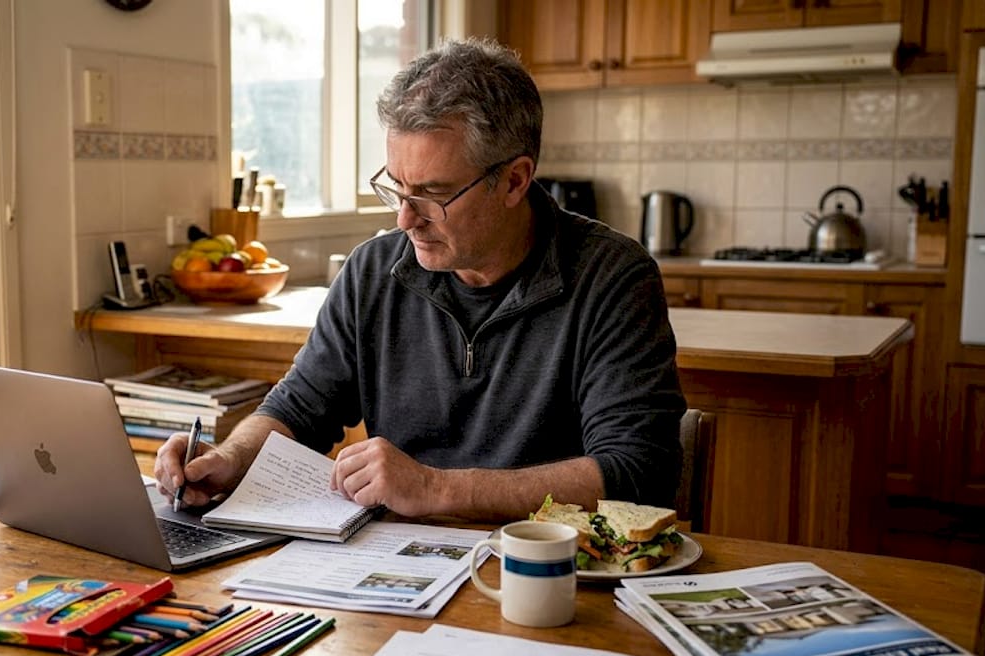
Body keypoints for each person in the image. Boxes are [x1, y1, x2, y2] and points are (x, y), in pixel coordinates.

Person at [155, 37, 685, 523]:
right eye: (396, 187)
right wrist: (228, 458)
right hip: (395, 568)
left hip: (546, 573)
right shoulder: (372, 272)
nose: (405, 219)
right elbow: (296, 410)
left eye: (432, 193)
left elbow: (639, 473)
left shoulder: (613, 277)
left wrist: (436, 488)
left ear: (514, 180)